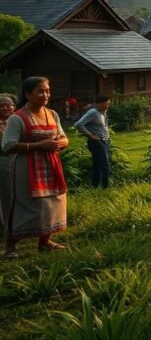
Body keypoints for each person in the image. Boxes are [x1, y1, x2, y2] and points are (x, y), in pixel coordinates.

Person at [2, 77, 69, 258]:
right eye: (40, 91)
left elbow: (64, 137)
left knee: (51, 203)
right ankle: (10, 247)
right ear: (27, 94)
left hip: (51, 165)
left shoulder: (53, 114)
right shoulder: (18, 118)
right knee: (24, 205)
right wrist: (40, 146)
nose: (45, 95)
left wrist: (60, 144)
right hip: (26, 168)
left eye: (47, 91)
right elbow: (7, 145)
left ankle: (45, 241)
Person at [74, 94, 112, 188]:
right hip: (97, 142)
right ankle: (105, 187)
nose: (108, 106)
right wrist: (91, 135)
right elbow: (78, 124)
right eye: (106, 104)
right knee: (105, 165)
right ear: (100, 103)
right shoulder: (93, 112)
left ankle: (94, 185)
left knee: (97, 165)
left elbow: (103, 125)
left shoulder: (102, 112)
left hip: (104, 141)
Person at [0, 94, 17, 234]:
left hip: (19, 161)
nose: (6, 108)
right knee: (7, 194)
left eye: (8, 105)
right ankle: (8, 226)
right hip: (4, 161)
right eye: (2, 105)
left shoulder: (17, 121)